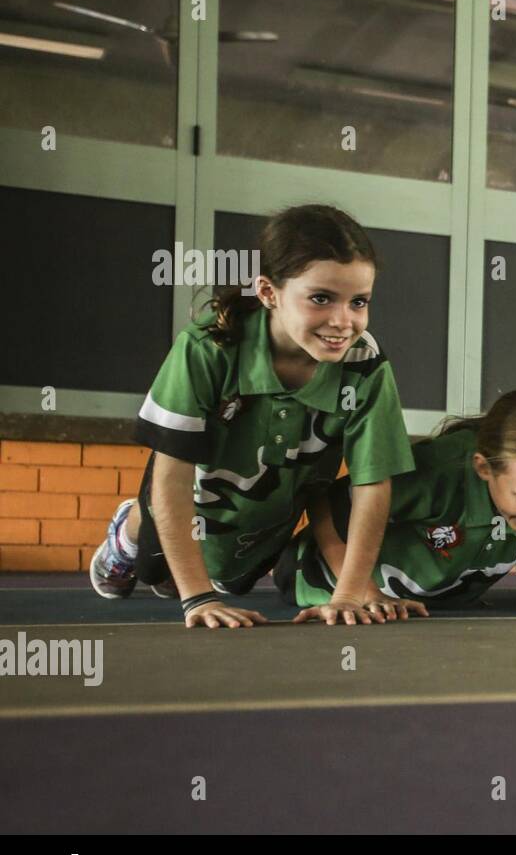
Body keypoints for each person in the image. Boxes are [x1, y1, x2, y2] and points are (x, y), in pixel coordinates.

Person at [89, 204, 414, 629]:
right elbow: (172, 477)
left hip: (273, 499)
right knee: (157, 568)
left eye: (359, 302)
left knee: (233, 582)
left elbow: (373, 483)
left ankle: (192, 567)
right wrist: (198, 599)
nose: (343, 321)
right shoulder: (209, 346)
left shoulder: (365, 364)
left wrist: (349, 593)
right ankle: (127, 529)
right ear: (268, 293)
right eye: (321, 298)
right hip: (191, 487)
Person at [276, 387, 516, 617]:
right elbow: (326, 505)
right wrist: (358, 592)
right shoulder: (433, 474)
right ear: (483, 468)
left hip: (434, 603)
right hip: (321, 579)